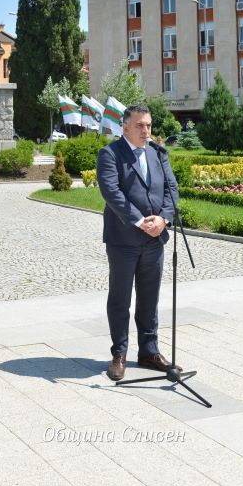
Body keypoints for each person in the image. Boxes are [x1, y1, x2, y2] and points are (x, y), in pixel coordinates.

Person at [96, 103, 180, 381]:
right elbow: (112, 192)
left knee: (149, 298)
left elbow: (171, 188)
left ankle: (148, 351)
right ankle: (119, 353)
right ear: (125, 127)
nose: (146, 131)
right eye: (140, 126)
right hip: (123, 239)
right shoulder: (110, 154)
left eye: (149, 125)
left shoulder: (158, 153)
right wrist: (140, 220)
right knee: (120, 299)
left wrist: (164, 219)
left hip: (155, 239)